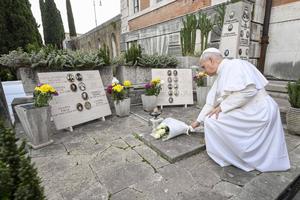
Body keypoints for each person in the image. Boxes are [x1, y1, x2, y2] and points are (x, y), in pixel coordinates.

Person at [190, 48, 290, 172]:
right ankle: (231, 152)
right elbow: (211, 102)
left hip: (259, 110)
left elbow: (249, 90)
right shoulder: (222, 73)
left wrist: (222, 107)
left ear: (211, 60)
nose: (203, 71)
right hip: (250, 109)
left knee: (213, 120)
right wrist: (198, 121)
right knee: (211, 119)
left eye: (204, 67)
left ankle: (234, 155)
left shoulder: (235, 65)